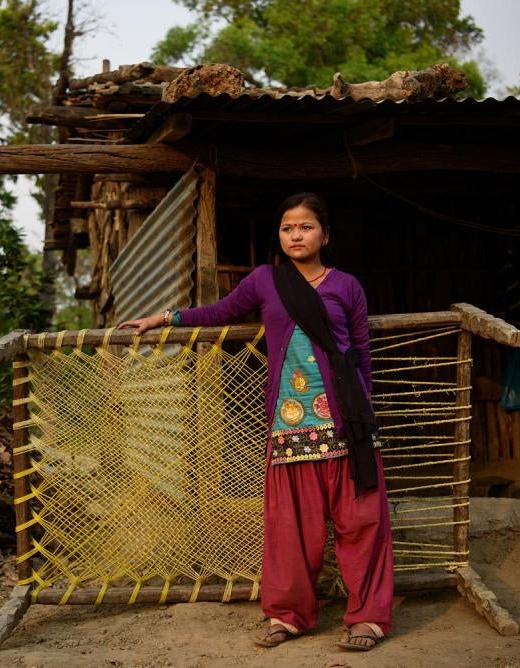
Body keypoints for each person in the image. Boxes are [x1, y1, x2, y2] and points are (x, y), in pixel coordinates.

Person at [119, 192, 393, 652]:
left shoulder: (347, 286)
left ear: (325, 234)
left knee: (361, 522)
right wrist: (165, 317)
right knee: (290, 529)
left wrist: (363, 414)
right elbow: (219, 313)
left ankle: (367, 618)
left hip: (346, 426)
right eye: (287, 228)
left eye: (305, 227)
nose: (295, 235)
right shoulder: (266, 281)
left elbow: (361, 353)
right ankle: (288, 615)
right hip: (289, 430)